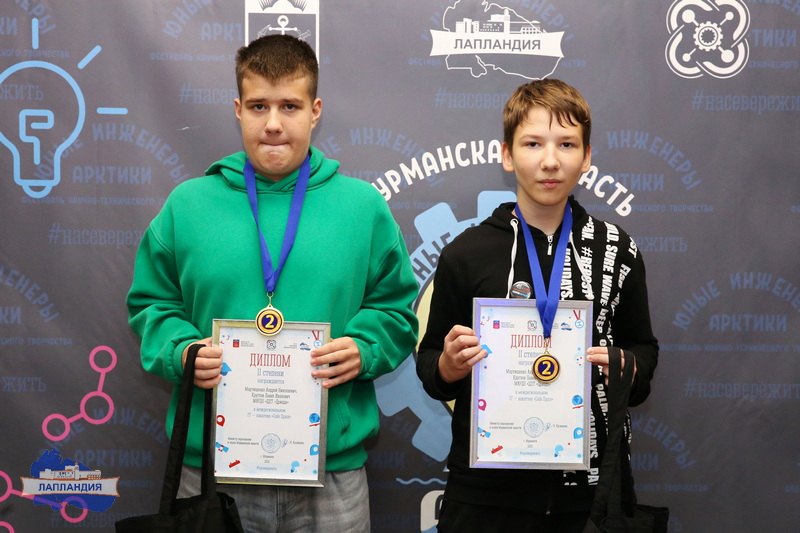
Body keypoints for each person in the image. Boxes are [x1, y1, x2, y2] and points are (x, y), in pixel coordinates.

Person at [127, 34, 418, 533]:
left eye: (290, 106)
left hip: (331, 472)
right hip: (213, 473)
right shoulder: (187, 205)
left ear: (315, 111)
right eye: (259, 106)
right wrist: (182, 351)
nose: (274, 123)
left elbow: (395, 308)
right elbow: (151, 304)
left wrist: (365, 348)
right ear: (238, 110)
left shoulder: (363, 207)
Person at [416, 79, 659, 532]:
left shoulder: (616, 250)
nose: (550, 160)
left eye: (567, 144)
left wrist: (626, 367)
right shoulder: (466, 253)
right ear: (507, 155)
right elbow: (430, 364)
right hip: (486, 494)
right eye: (533, 143)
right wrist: (448, 366)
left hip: (591, 493)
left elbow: (643, 350)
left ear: (587, 156)